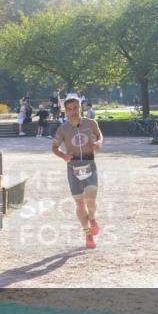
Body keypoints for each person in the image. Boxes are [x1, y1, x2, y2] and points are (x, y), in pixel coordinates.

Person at [52, 96, 104, 249]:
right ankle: (88, 234)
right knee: (80, 202)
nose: (73, 112)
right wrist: (64, 156)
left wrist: (99, 143)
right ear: (66, 111)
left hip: (89, 164)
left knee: (91, 201)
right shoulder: (63, 129)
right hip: (73, 167)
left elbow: (100, 136)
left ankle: (93, 219)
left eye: (75, 108)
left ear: (80, 108)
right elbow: (54, 148)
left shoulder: (91, 123)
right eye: (69, 109)